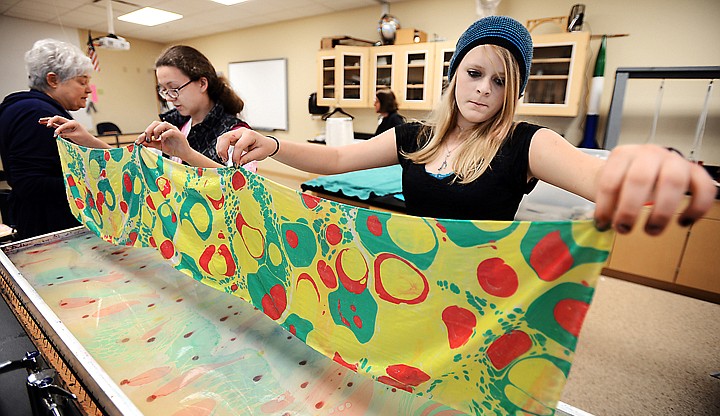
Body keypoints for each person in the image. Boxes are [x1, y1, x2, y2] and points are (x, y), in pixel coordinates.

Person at [139, 16, 715, 236]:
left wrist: (648, 167)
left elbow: (600, 180)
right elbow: (337, 160)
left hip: (484, 295)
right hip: (413, 278)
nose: (483, 90)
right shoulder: (414, 137)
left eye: (500, 80)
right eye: (474, 73)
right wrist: (270, 142)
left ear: (514, 89)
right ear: (454, 74)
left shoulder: (526, 144)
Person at [43, 45, 256, 171]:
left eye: (174, 88)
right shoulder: (178, 124)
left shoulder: (236, 134)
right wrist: (86, 139)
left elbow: (241, 189)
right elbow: (136, 165)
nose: (170, 99)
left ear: (202, 83)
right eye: (163, 90)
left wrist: (188, 154)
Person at [0, 39, 93, 239]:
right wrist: (91, 181)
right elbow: (30, 183)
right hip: (50, 226)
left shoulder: (25, 108)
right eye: (82, 81)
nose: (89, 89)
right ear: (53, 80)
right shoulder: (36, 113)